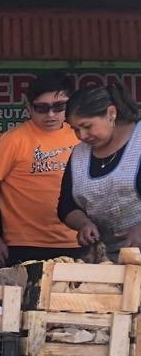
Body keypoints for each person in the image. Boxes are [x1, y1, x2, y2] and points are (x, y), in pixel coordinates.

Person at [0, 73, 81, 267]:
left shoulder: (81, 136)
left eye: (59, 106)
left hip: (77, 241)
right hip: (25, 245)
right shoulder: (12, 140)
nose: (51, 115)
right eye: (41, 108)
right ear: (28, 107)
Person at [58, 83, 141, 260]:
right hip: (108, 261)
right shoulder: (79, 154)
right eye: (75, 129)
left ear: (111, 114)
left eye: (87, 126)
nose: (82, 136)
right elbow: (67, 206)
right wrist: (84, 224)